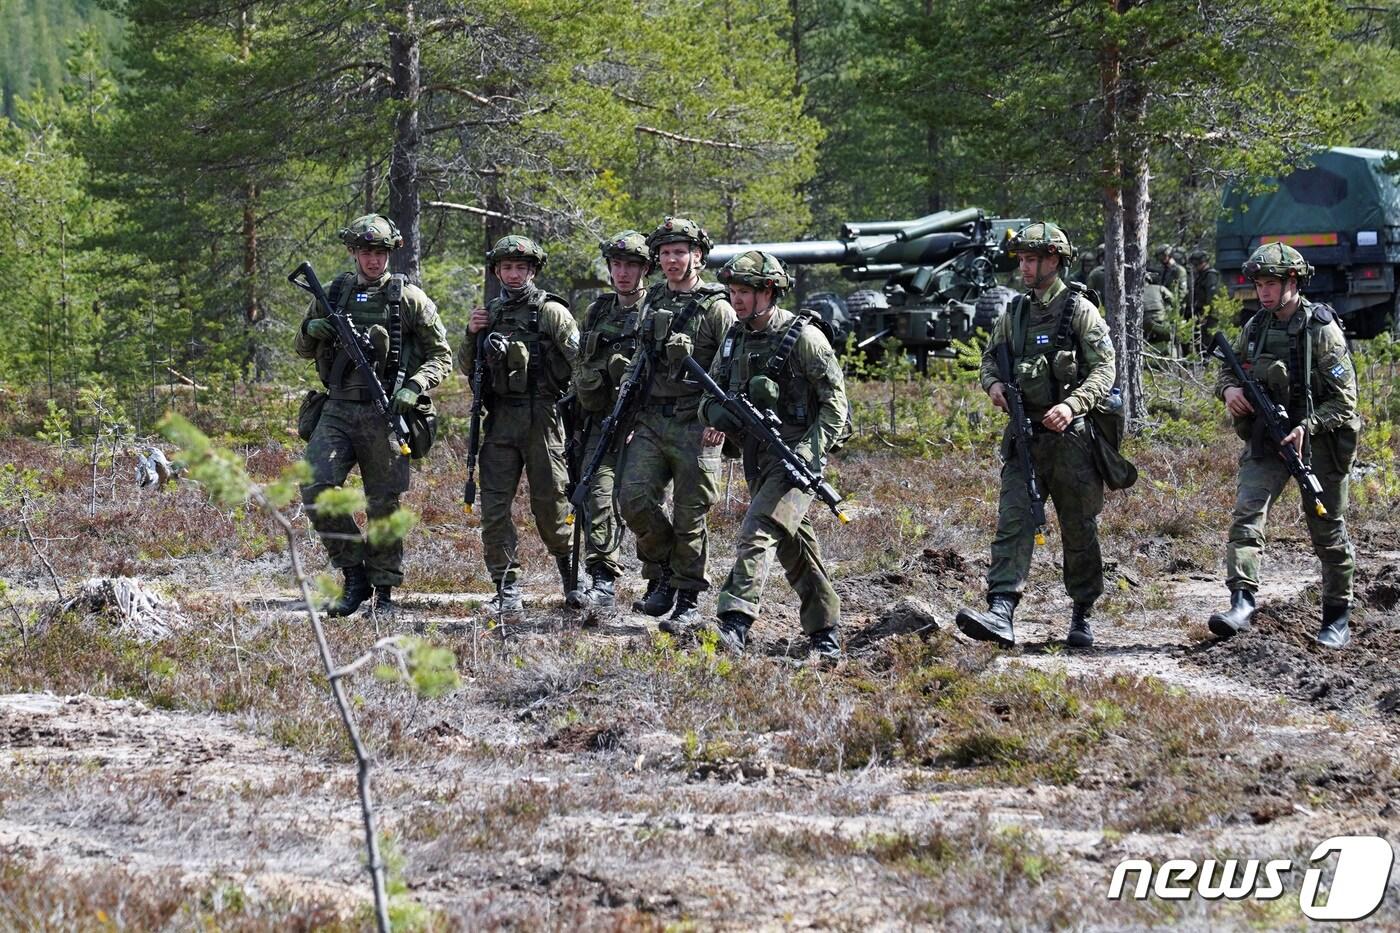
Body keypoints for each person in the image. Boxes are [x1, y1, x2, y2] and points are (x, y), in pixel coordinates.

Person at [955, 222, 1116, 649]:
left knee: (1079, 530)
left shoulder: (1080, 310)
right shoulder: (1014, 312)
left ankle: (1082, 612)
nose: (1024, 268)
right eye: (1022, 260)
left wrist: (1072, 405)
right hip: (1024, 437)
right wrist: (993, 386)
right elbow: (990, 359)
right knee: (1013, 522)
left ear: (1054, 260)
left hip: (1071, 442)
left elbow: (1105, 368)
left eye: (1031, 260)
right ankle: (1001, 610)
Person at [296, 214, 452, 617]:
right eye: (366, 251)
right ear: (353, 252)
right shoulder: (333, 292)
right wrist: (314, 328)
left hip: (384, 412)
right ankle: (354, 575)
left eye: (380, 252)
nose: (373, 260)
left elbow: (441, 355)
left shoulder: (410, 299)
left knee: (383, 502)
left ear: (390, 253)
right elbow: (301, 346)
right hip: (337, 408)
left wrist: (413, 386)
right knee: (316, 486)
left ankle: (384, 591)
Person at [1208, 242, 1360, 648]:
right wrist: (1229, 391)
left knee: (1327, 530)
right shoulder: (1256, 327)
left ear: (1293, 281)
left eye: (1271, 283)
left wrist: (1307, 426)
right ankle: (1242, 602)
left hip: (1320, 445)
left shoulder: (1321, 330)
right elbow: (1228, 368)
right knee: (1247, 516)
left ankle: (1336, 618)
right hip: (1268, 440)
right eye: (1258, 284)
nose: (1264, 292)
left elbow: (1345, 402)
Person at [699, 251, 849, 659]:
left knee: (758, 530)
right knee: (795, 544)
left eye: (745, 291)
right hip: (756, 456)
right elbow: (710, 397)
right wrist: (719, 419)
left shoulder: (805, 338)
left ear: (770, 292)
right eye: (732, 291)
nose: (737, 299)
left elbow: (837, 407)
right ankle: (825, 631)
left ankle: (734, 622)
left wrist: (806, 454)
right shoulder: (733, 339)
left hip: (797, 457)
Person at [617, 217, 736, 631]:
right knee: (632, 499)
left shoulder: (718, 307)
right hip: (651, 419)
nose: (671, 260)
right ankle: (661, 573)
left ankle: (687, 594)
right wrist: (626, 404)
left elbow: (731, 366)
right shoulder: (651, 301)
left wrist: (720, 417)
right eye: (665, 253)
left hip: (697, 422)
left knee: (691, 515)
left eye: (679, 252)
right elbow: (641, 357)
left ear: (697, 257)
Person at [458, 235, 579, 613]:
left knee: (551, 507)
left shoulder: (552, 312)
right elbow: (466, 366)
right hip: (500, 422)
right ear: (496, 271)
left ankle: (573, 580)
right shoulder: (488, 313)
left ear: (532, 271)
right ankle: (507, 589)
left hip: (543, 417)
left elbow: (581, 362)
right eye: (507, 267)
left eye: (521, 268)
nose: (513, 274)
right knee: (494, 510)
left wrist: (577, 410)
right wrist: (471, 333)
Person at [568, 231, 651, 608]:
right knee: (595, 495)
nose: (622, 273)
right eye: (617, 265)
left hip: (645, 426)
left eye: (631, 265)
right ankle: (602, 577)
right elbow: (581, 363)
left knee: (642, 504)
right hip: (600, 422)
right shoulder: (597, 310)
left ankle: (661, 575)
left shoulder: (655, 311)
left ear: (644, 269)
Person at [1186, 248, 1223, 351]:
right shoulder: (1201, 275)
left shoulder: (1210, 275)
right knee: (1200, 342)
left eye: (1195, 263)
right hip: (1200, 314)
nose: (1194, 266)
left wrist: (1206, 314)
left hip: (1208, 315)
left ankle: (1207, 364)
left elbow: (1211, 297)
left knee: (1207, 341)